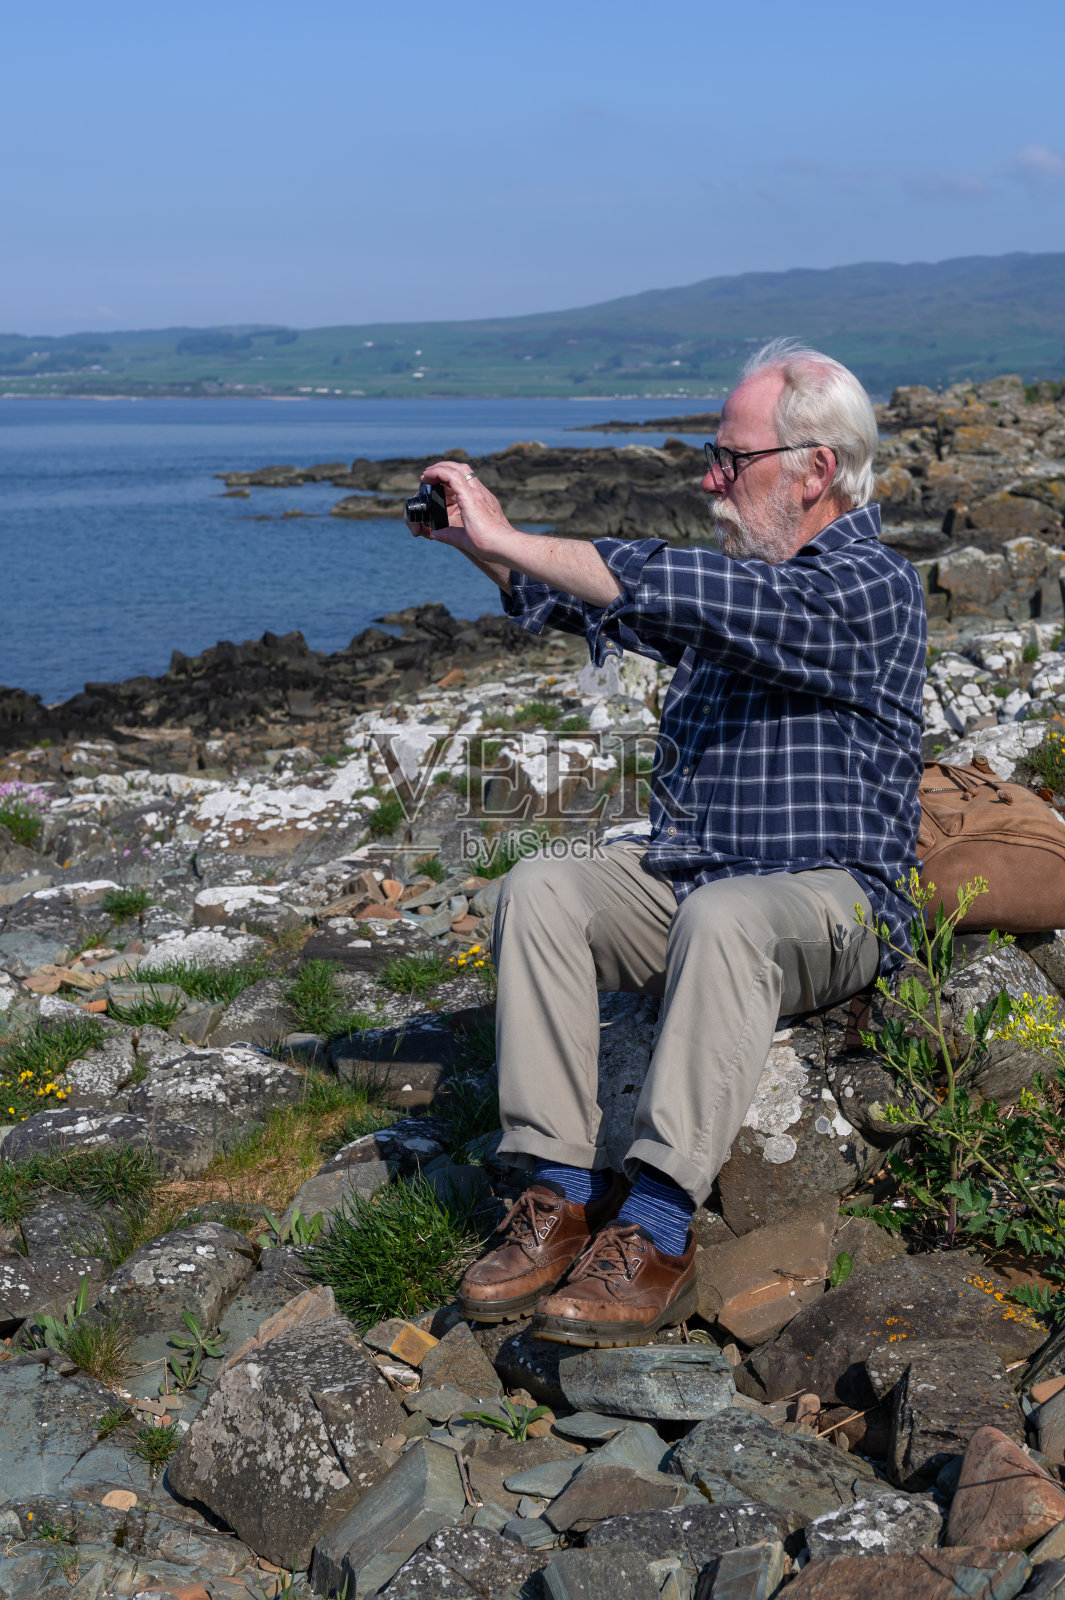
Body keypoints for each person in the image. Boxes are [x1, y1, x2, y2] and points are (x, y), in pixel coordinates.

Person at [407, 339, 926, 1348]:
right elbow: (609, 604)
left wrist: (517, 535)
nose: (710, 477)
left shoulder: (867, 587)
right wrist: (482, 542)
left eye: (731, 458)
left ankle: (655, 1227)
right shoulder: (747, 584)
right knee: (544, 887)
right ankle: (558, 1196)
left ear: (816, 467)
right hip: (698, 881)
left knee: (729, 918)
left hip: (832, 899)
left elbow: (679, 592)